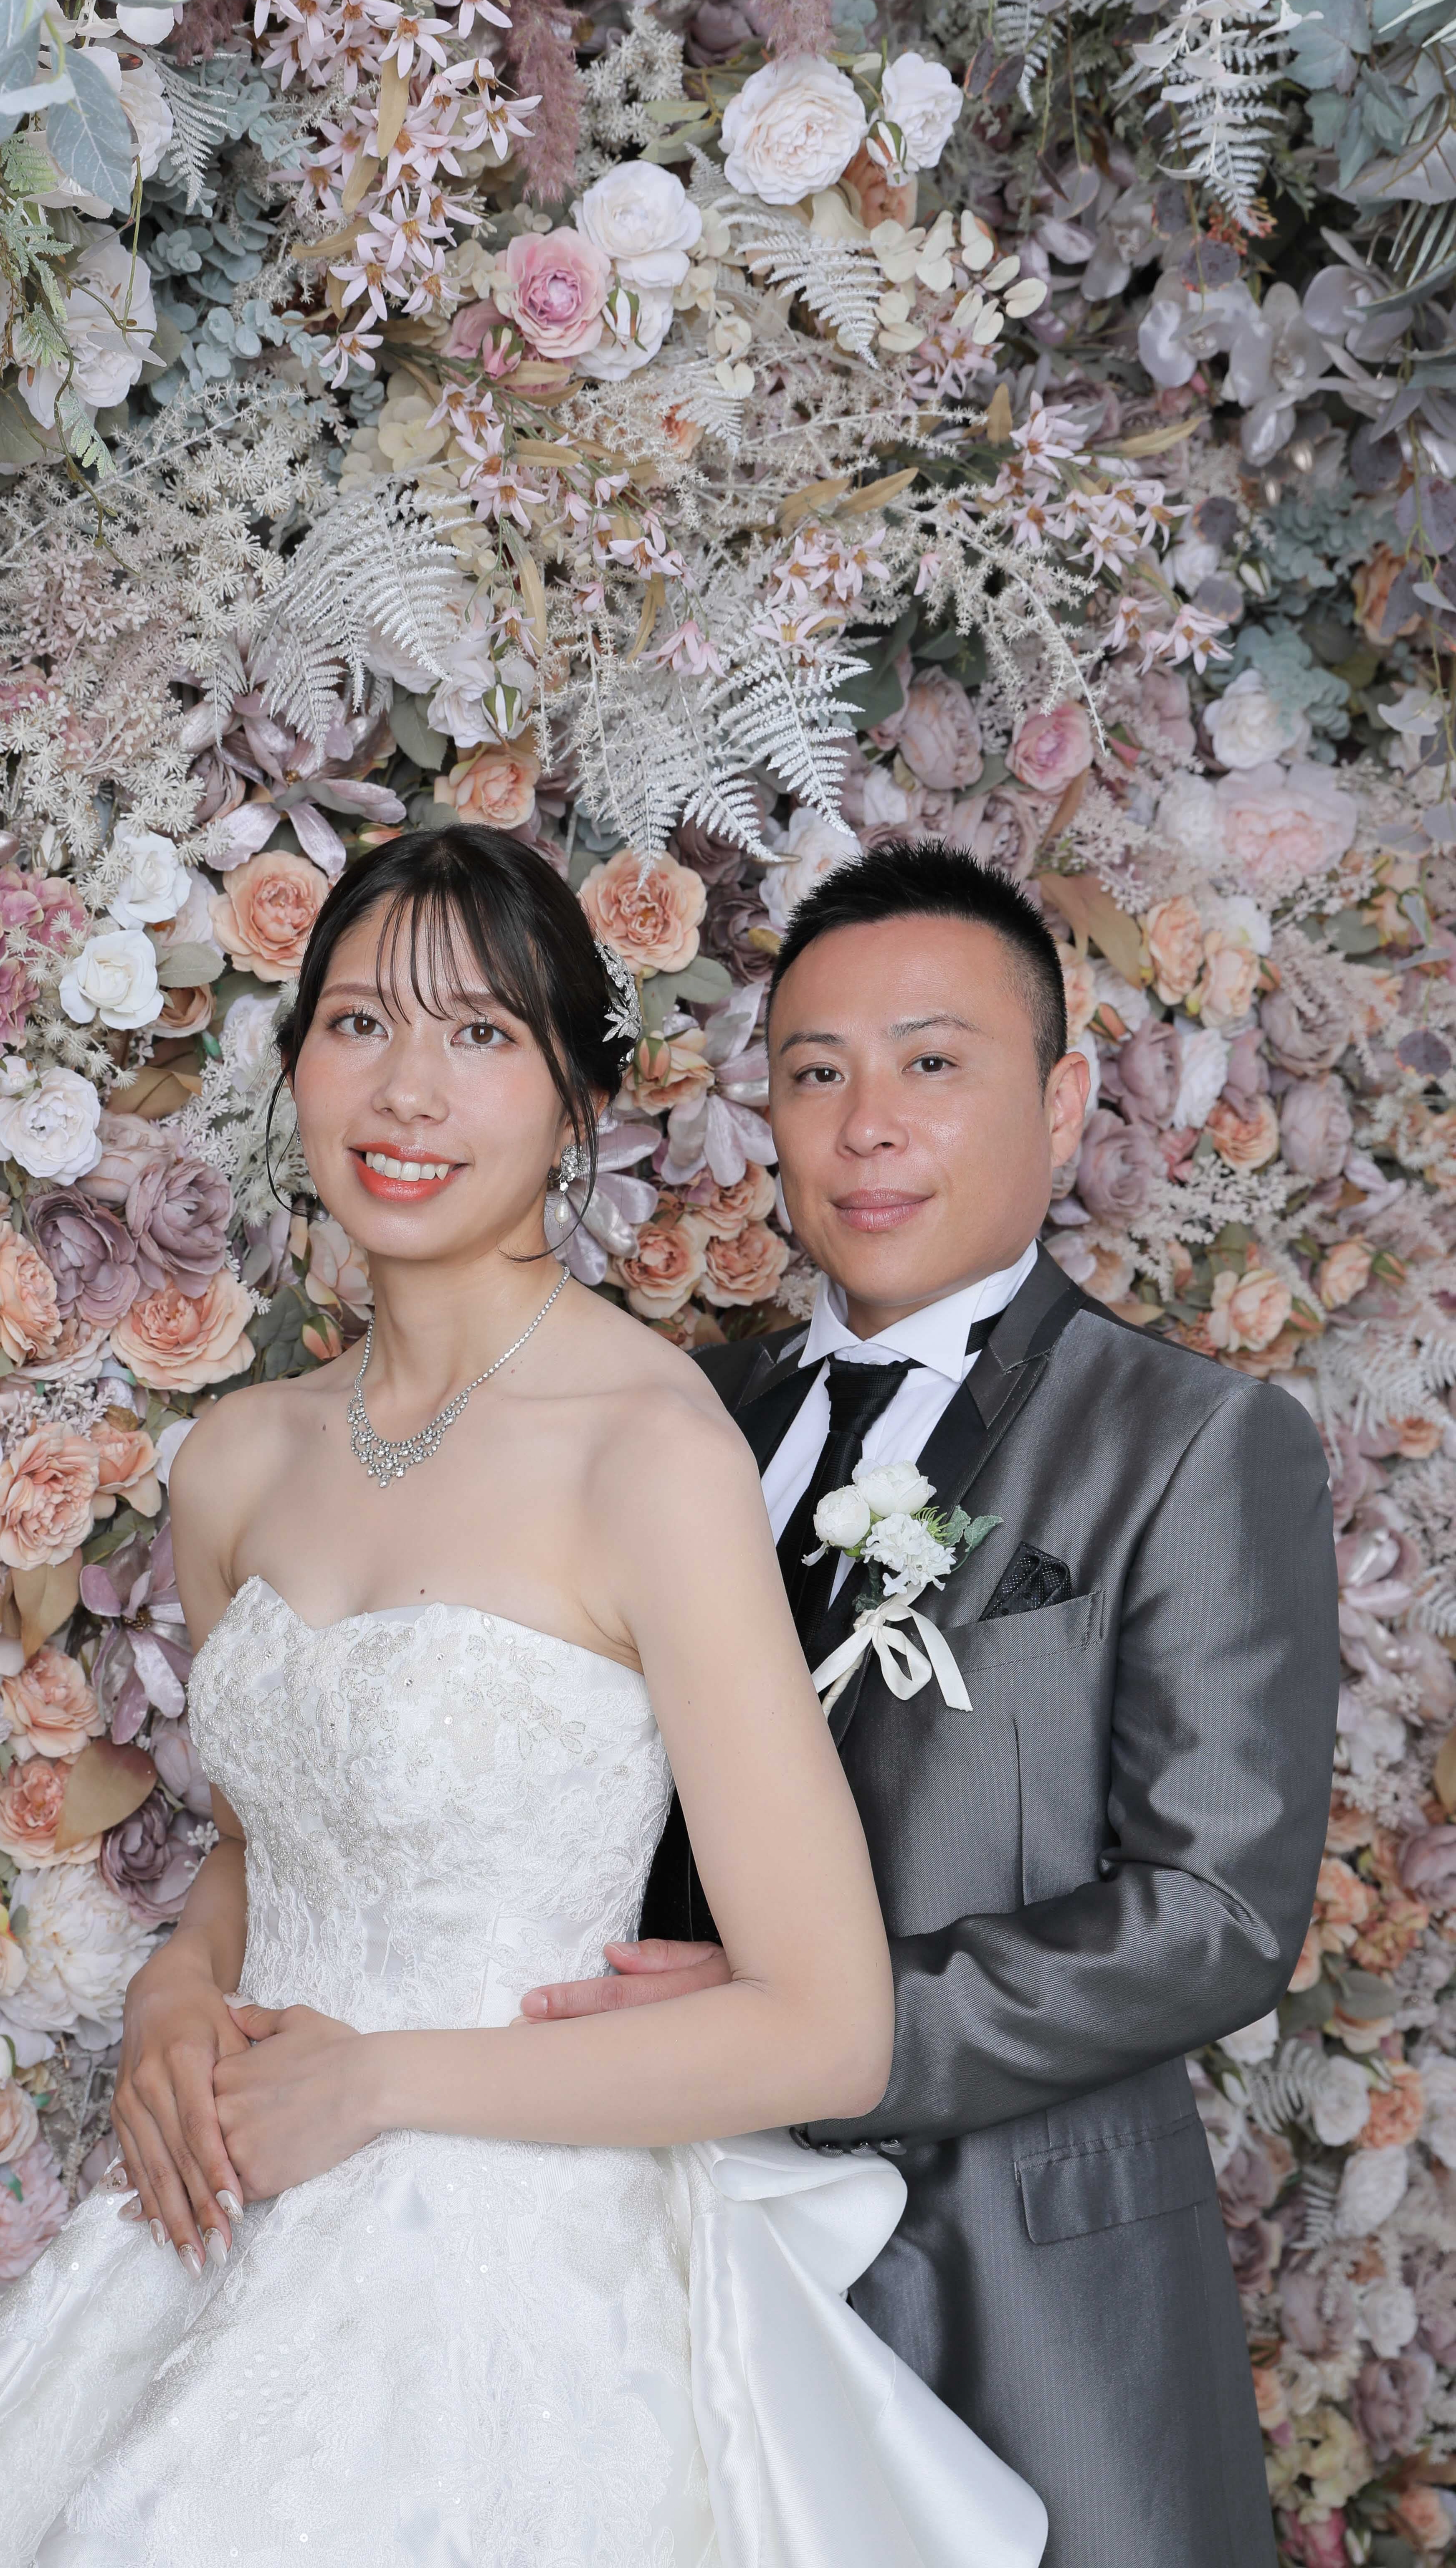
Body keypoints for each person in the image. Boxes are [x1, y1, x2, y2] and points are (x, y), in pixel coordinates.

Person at [0, 828, 1042, 2568]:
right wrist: (178, 1991)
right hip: (219, 2214)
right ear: (295, 1069)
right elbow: (272, 1839)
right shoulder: (240, 1458)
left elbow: (826, 2026)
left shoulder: (650, 1453)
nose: (407, 1092)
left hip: (511, 2274)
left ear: (577, 1101)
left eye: (481, 1035)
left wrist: (380, 2087)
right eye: (360, 1024)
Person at [524, 838, 1340, 2568]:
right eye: (816, 1074)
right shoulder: (674, 1418)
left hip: (1015, 2292)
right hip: (645, 2266)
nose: (866, 1127)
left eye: (931, 1065)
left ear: (1061, 1104)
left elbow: (1214, 1915)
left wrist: (810, 2032)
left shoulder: (1190, 1441)